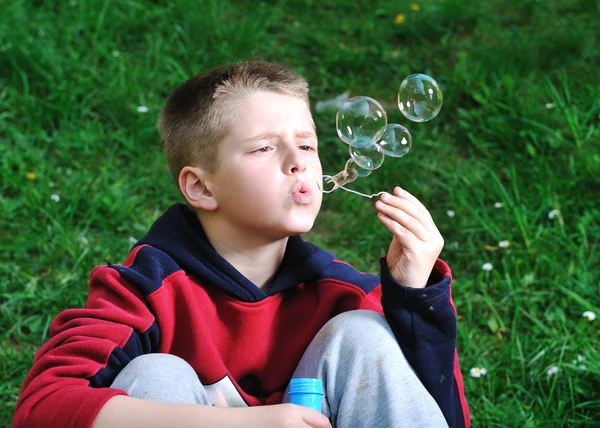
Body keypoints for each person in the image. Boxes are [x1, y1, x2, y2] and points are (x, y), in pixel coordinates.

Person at [12, 61, 470, 428]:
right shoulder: (143, 291)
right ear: (201, 188)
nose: (298, 164)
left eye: (307, 146)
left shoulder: (341, 294)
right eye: (263, 149)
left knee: (364, 332)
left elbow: (442, 415)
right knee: (154, 374)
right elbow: (42, 408)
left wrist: (412, 298)